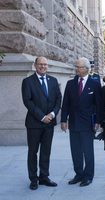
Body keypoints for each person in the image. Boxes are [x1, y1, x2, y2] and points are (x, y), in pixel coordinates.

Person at [21, 56, 62, 190]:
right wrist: (41, 116)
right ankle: (33, 179)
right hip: (34, 123)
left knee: (46, 151)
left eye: (45, 64)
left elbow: (58, 100)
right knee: (33, 152)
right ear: (35, 65)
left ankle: (44, 177)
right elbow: (28, 101)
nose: (43, 66)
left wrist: (52, 114)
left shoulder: (53, 81)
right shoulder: (27, 82)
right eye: (40, 64)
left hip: (49, 123)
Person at [61, 57, 102, 187]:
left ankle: (88, 176)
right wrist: (63, 120)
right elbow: (65, 103)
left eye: (78, 67)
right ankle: (78, 174)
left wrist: (98, 121)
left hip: (87, 123)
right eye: (76, 66)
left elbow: (99, 104)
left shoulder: (94, 84)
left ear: (86, 69)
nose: (76, 69)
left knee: (88, 151)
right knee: (75, 151)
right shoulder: (70, 83)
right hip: (73, 123)